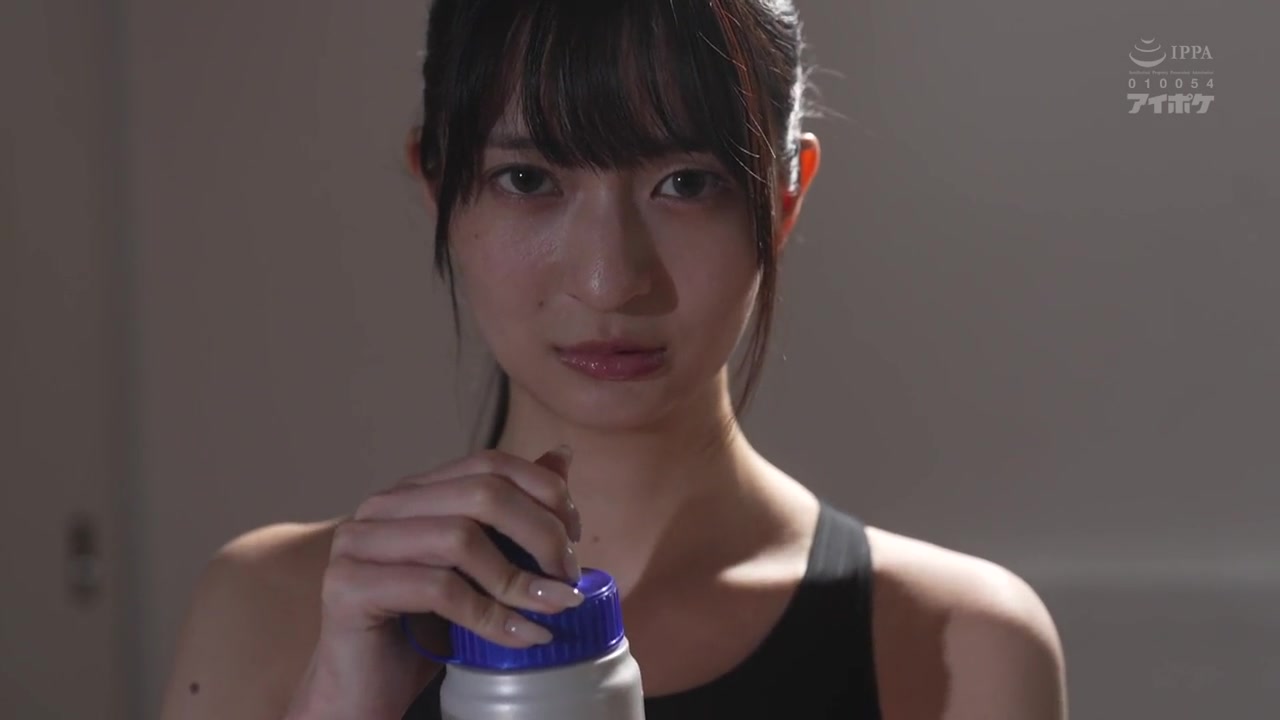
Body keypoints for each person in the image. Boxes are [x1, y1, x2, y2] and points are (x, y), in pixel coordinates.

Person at [159, 1, 1067, 718]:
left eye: (687, 183)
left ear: (784, 198)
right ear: (440, 185)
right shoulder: (270, 610)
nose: (609, 281)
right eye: (528, 179)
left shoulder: (957, 643)